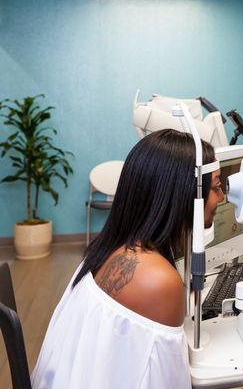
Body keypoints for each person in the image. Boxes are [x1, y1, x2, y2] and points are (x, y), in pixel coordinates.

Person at [31, 129, 225, 389]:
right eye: (215, 188)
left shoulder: (108, 248)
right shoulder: (159, 280)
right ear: (182, 196)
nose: (221, 198)